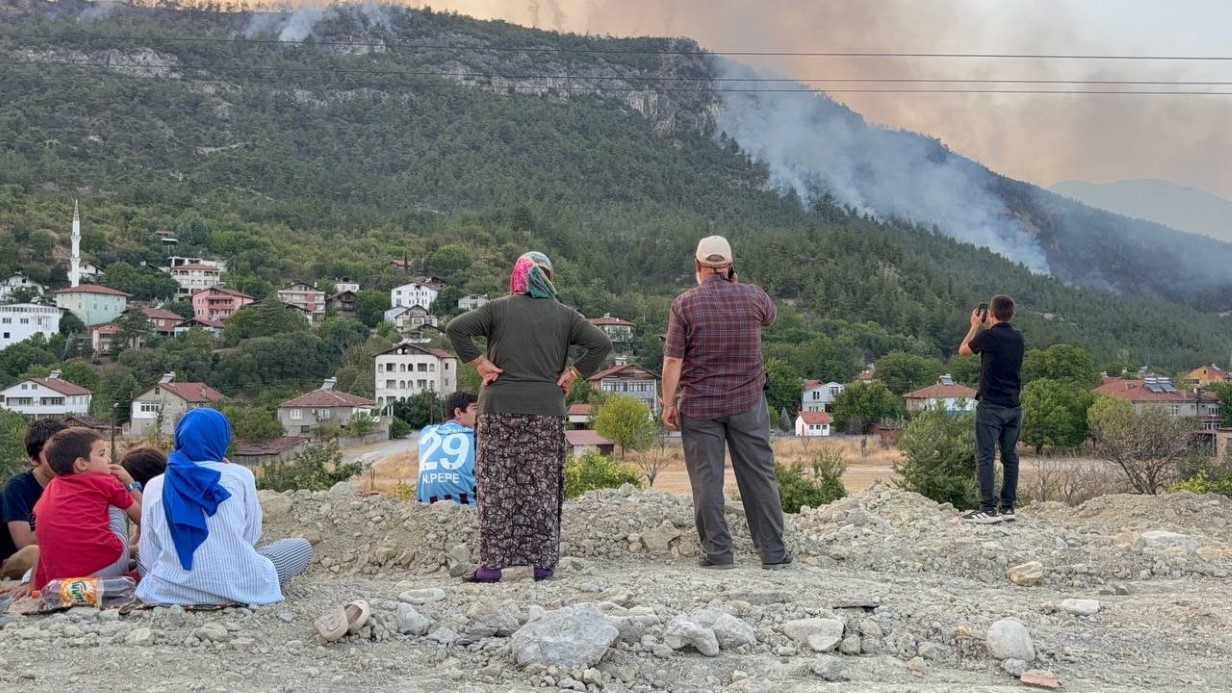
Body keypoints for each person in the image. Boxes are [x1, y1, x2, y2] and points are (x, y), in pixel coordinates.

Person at [447, 251, 611, 582]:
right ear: (548, 279)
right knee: (542, 486)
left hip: (498, 410)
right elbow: (601, 344)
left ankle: (493, 566)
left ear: (517, 277)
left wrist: (479, 363)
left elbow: (456, 329)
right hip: (546, 412)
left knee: (498, 486)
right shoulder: (566, 315)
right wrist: (573, 374)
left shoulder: (497, 309)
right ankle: (542, 565)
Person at [660, 235, 792, 570]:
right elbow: (770, 316)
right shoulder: (753, 296)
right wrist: (736, 284)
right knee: (759, 476)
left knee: (707, 479)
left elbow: (672, 361)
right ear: (731, 265)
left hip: (700, 405)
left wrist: (667, 403)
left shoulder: (684, 304)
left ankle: (718, 553)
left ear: (697, 265)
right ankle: (773, 553)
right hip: (747, 401)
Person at [136, 408, 313, 605]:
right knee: (301, 547)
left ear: (179, 438)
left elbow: (150, 552)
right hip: (242, 587)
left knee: (140, 557)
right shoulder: (240, 475)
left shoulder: (155, 484)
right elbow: (251, 536)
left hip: (168, 593)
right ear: (222, 439)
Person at [33, 428, 143, 589]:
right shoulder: (106, 482)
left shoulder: (51, 488)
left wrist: (34, 583)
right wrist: (130, 483)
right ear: (81, 463)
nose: (109, 459)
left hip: (60, 579)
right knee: (116, 503)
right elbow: (144, 519)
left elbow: (42, 541)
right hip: (104, 568)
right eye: (102, 454)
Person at [958, 294, 1025, 524]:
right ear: (1012, 314)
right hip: (1014, 406)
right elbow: (999, 339)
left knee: (985, 456)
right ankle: (1008, 507)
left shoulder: (987, 336)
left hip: (991, 406)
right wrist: (989, 326)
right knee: (1010, 456)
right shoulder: (1018, 338)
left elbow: (963, 351)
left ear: (992, 313)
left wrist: (975, 326)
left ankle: (987, 508)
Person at [1, 419, 67, 581]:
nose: (61, 460)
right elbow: (24, 544)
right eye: (52, 454)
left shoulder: (74, 482)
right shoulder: (17, 487)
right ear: (34, 460)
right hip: (14, 562)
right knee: (33, 553)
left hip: (56, 554)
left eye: (65, 452)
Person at [416, 391, 479, 505]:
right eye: (475, 409)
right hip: (467, 511)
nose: (480, 415)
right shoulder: (475, 437)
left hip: (424, 509)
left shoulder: (426, 432)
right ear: (458, 412)